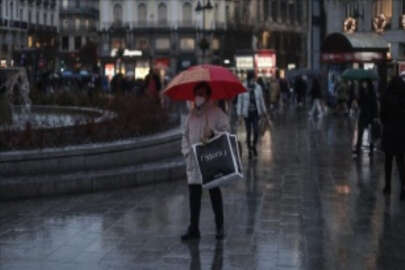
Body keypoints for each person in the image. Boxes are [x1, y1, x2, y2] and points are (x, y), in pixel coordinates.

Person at [181, 82, 230, 241]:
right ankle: (193, 228)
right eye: (197, 94)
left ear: (208, 96)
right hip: (194, 162)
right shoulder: (191, 115)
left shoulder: (216, 113)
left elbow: (226, 131)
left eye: (201, 94)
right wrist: (187, 153)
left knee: (214, 194)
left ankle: (220, 227)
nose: (198, 97)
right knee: (194, 197)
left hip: (210, 160)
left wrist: (213, 133)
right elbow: (185, 136)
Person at [380, 76, 405, 200]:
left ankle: (388, 186)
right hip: (401, 132)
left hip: (389, 131)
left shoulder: (386, 96)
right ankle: (403, 187)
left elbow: (382, 115)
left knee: (388, 161)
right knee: (401, 161)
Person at [236, 71, 267, 159]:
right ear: (249, 79)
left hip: (256, 113)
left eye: (254, 79)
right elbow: (240, 102)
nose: (253, 80)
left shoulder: (258, 87)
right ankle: (249, 149)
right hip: (247, 114)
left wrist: (264, 112)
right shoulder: (243, 87)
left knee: (256, 131)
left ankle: (254, 146)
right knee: (249, 132)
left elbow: (261, 100)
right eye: (252, 79)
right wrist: (239, 114)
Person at [354, 79, 378, 156]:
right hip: (364, 114)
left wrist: (375, 116)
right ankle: (357, 149)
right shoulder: (362, 91)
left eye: (365, 83)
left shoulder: (372, 92)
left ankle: (371, 150)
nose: (364, 84)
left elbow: (374, 104)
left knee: (370, 134)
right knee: (360, 132)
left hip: (370, 115)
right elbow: (359, 102)